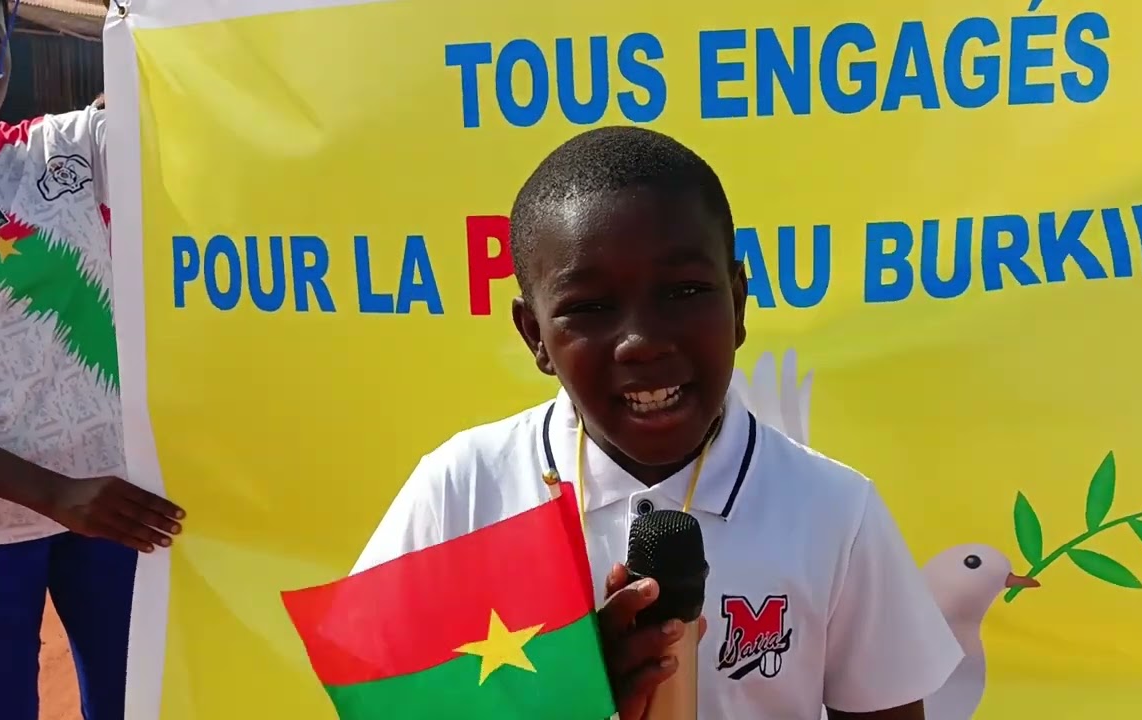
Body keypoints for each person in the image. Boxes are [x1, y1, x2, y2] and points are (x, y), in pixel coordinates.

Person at [352, 126, 962, 719]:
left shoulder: (834, 511)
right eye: (589, 308)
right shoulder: (461, 490)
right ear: (535, 335)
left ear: (739, 303)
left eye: (684, 291)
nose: (642, 343)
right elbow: (373, 697)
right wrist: (566, 694)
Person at [0, 4, 185, 719]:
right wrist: (56, 496)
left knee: (138, 701)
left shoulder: (57, 154)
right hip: (21, 526)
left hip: (116, 509)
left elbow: (175, 99)